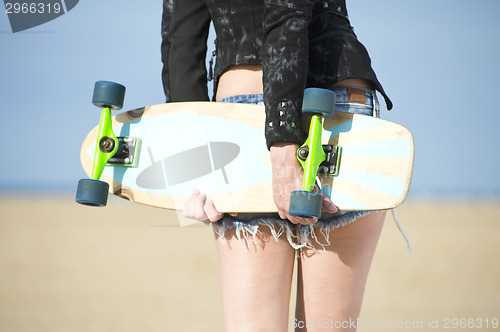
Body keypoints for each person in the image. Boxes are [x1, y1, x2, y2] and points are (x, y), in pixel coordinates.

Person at [162, 1, 393, 330]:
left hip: (247, 107)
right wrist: (282, 140)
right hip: (338, 99)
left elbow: (179, 38)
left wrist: (194, 162)